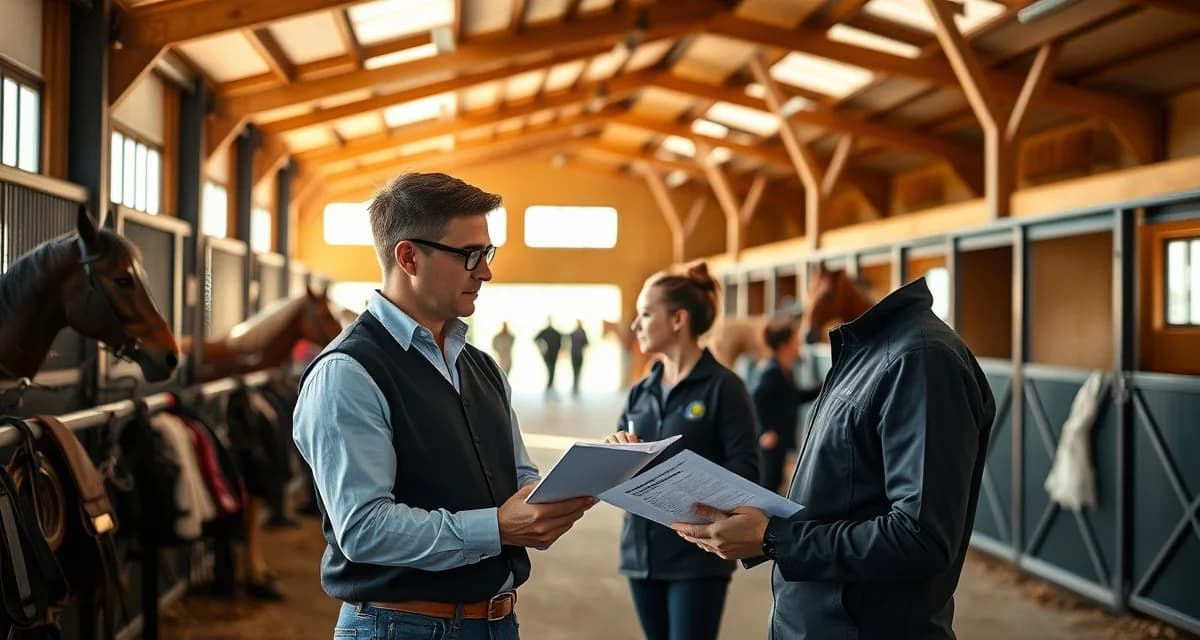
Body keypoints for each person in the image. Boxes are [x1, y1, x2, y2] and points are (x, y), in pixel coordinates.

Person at [293, 172, 594, 640]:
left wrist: (551, 498)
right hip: (400, 626)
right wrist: (497, 527)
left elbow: (516, 473)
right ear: (408, 256)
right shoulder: (350, 372)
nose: (486, 271)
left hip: (495, 622)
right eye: (470, 254)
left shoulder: (480, 366)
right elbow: (364, 529)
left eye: (488, 253)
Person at [673, 278, 996, 640]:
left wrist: (773, 537)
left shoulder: (920, 358)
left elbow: (920, 538)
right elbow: (843, 495)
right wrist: (759, 525)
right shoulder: (868, 351)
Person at [604, 262, 758, 640]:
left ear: (678, 319)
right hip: (641, 557)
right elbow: (619, 468)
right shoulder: (641, 391)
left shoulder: (725, 388)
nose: (635, 325)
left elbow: (747, 471)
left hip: (698, 559)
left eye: (644, 313)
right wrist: (613, 456)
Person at [750, 322, 820, 494]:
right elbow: (757, 399)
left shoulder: (785, 370)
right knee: (770, 481)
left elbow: (795, 397)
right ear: (784, 345)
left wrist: (823, 387)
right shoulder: (771, 372)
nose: (799, 346)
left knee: (777, 479)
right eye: (796, 341)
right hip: (772, 440)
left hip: (782, 437)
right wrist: (765, 430)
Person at [534, 318, 562, 392]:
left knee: (551, 369)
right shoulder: (547, 332)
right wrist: (541, 347)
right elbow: (535, 339)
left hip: (553, 354)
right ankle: (550, 384)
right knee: (551, 369)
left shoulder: (555, 332)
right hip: (548, 354)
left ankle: (550, 384)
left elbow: (560, 342)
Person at [568, 319, 589, 395]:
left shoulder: (573, 333)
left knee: (575, 371)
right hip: (578, 355)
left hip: (574, 354)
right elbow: (587, 343)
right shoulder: (582, 332)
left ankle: (575, 387)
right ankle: (576, 387)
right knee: (578, 371)